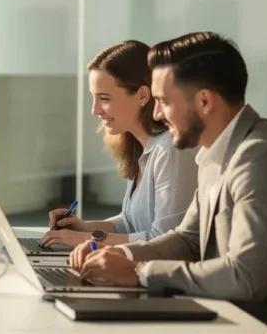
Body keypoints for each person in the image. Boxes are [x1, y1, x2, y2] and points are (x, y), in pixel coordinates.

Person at [71, 32, 267, 334]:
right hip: (265, 328)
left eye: (164, 101)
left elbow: (246, 277)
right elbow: (188, 239)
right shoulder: (216, 154)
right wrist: (122, 257)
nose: (157, 113)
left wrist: (140, 273)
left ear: (204, 101)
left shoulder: (262, 158)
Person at [40, 41, 198, 249]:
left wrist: (88, 239)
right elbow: (131, 222)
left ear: (142, 95)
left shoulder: (170, 150)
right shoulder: (140, 146)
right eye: (93, 98)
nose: (95, 110)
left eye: (104, 98)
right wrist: (84, 227)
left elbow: (165, 241)